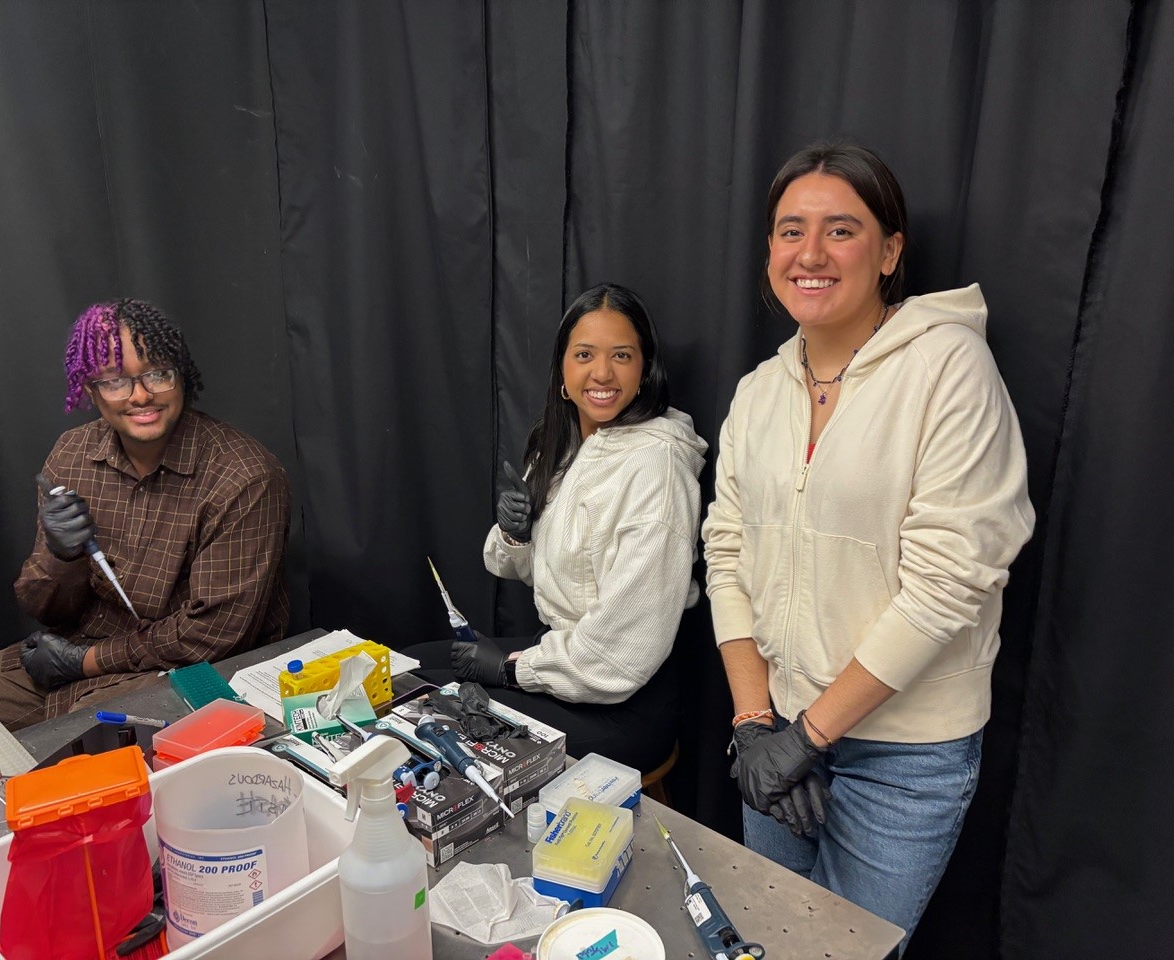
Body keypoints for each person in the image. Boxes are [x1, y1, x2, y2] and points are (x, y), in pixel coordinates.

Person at [702, 141, 1034, 947]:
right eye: (790, 231)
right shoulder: (756, 393)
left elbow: (950, 584)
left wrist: (808, 737)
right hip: (775, 732)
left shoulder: (949, 367)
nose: (809, 254)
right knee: (771, 939)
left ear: (889, 252)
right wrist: (754, 725)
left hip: (902, 757)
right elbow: (727, 556)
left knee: (835, 951)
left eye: (841, 230)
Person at [0, 299, 291, 769]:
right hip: (64, 655)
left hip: (179, 675)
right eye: (115, 380)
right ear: (90, 389)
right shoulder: (72, 454)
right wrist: (61, 558)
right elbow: (43, 607)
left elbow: (212, 636)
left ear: (181, 375)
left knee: (57, 776)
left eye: (157, 373)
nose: (140, 395)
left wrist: (85, 662)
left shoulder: (244, 476)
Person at [403, 283, 706, 772]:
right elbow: (518, 568)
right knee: (405, 666)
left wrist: (509, 670)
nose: (602, 373)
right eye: (584, 354)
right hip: (566, 662)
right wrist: (516, 532)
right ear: (563, 368)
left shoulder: (658, 465)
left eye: (621, 356)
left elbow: (621, 655)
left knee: (420, 703)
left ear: (645, 369)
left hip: (622, 704)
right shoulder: (564, 443)